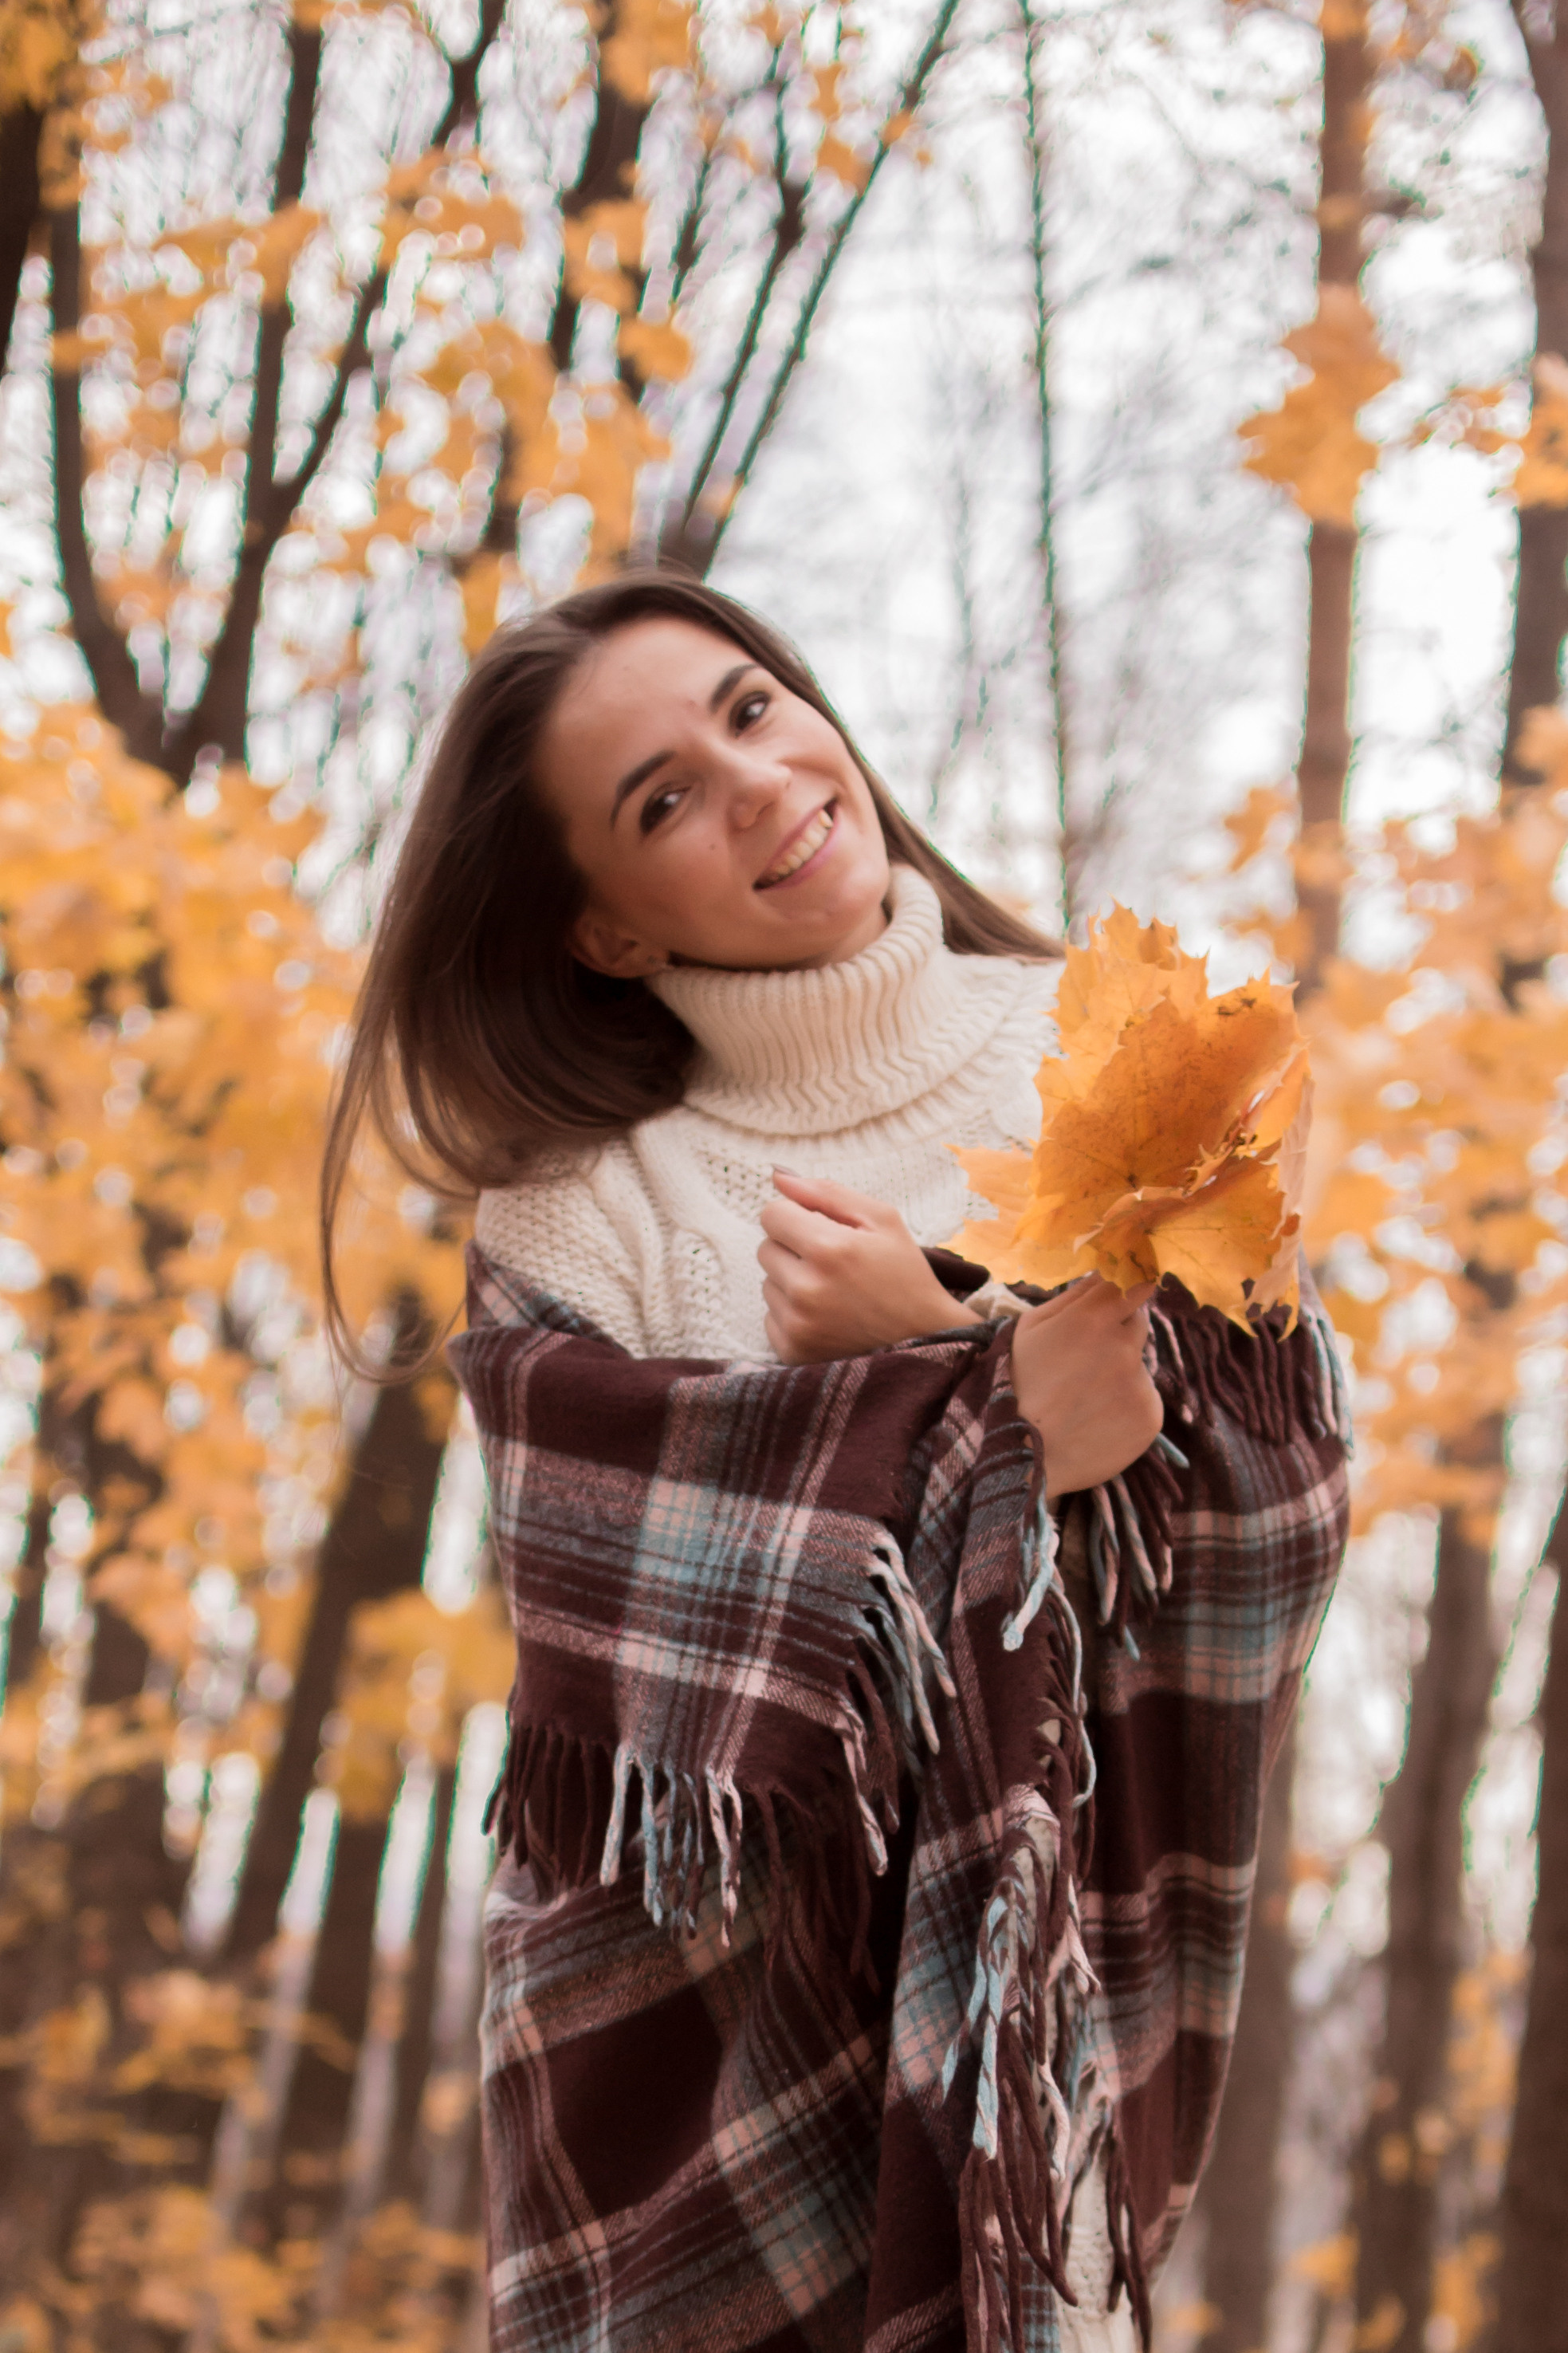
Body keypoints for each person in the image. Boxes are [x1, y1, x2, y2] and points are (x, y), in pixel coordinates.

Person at [321, 573, 1350, 2353]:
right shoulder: (579, 1205)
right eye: (661, 801)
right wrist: (998, 1393)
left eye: (749, 707)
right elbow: (629, 1655)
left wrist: (932, 1322)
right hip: (687, 2093)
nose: (759, 782)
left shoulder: (1099, 1049)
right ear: (609, 933)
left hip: (1043, 2037)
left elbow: (1286, 1470)